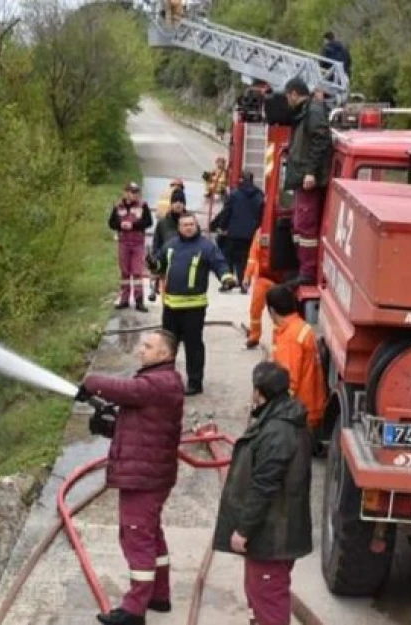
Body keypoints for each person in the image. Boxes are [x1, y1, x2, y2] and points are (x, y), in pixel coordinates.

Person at [75, 330, 185, 625]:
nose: (140, 350)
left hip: (144, 479)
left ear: (166, 355)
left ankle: (134, 611)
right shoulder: (159, 382)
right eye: (142, 345)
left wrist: (90, 383)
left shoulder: (158, 383)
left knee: (136, 537)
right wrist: (110, 426)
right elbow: (143, 426)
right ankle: (159, 597)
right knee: (151, 535)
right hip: (150, 474)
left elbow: (126, 390)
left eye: (148, 346)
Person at [211, 361, 313, 625]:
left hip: (272, 535)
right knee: (260, 593)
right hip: (274, 532)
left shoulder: (277, 431)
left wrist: (244, 530)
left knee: (268, 598)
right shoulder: (281, 419)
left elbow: (264, 486)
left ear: (259, 392)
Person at [147, 212, 236, 395]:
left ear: (197, 226)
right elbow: (159, 265)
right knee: (166, 347)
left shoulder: (206, 246)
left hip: (194, 308)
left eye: (191, 224)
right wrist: (152, 263)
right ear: (179, 228)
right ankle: (164, 380)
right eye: (185, 224)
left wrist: (226, 278)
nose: (188, 227)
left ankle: (195, 383)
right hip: (171, 307)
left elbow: (219, 264)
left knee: (193, 346)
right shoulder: (170, 245)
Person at [282, 77, 334, 287]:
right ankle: (301, 266)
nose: (287, 101)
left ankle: (307, 271)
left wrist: (310, 172)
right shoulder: (308, 110)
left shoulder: (312, 111)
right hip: (302, 176)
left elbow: (321, 140)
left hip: (308, 178)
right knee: (298, 225)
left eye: (288, 97)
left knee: (306, 226)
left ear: (294, 93)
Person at [267, 285, 327, 447]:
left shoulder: (290, 337)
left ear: (272, 311)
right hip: (309, 406)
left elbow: (289, 380)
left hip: (298, 413)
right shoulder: (300, 327)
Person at [108, 182, 153, 311]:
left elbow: (148, 222)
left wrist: (133, 226)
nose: (134, 195)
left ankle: (139, 301)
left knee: (137, 272)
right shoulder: (118, 206)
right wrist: (120, 225)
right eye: (131, 192)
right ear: (125, 192)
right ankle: (124, 300)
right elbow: (111, 223)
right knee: (125, 273)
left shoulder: (143, 205)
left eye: (136, 192)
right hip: (123, 242)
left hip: (138, 243)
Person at [219, 172, 264, 293]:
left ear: (241, 180)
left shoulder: (234, 194)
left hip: (234, 232)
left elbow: (226, 211)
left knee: (228, 257)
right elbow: (262, 214)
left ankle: (228, 282)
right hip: (251, 233)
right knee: (246, 258)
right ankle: (244, 283)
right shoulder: (259, 195)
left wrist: (222, 226)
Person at [149, 189, 187, 303]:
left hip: (185, 266)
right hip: (167, 266)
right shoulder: (162, 223)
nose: (178, 204)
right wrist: (156, 263)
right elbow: (156, 244)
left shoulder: (190, 222)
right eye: (176, 201)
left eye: (181, 201)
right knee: (167, 300)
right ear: (171, 203)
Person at [243, 228, 273, 349]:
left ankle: (280, 340)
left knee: (278, 313)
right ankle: (254, 337)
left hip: (279, 279)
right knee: (255, 310)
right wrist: (247, 276)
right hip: (261, 278)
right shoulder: (260, 232)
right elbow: (253, 257)